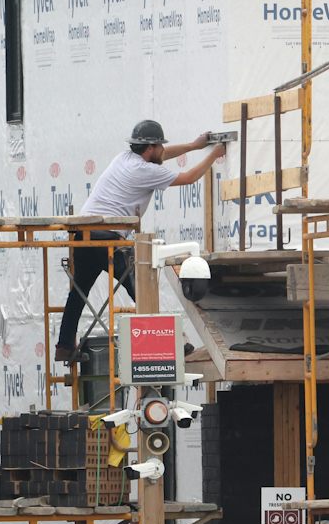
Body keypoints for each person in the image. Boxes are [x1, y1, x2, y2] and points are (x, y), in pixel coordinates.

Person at [53, 119, 226, 363]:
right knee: (141, 289)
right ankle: (175, 342)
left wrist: (194, 146)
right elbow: (187, 178)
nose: (163, 151)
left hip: (83, 235)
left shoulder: (124, 158)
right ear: (151, 148)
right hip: (107, 239)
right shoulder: (145, 171)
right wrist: (214, 155)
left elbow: (164, 156)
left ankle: (64, 345)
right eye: (160, 147)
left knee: (79, 292)